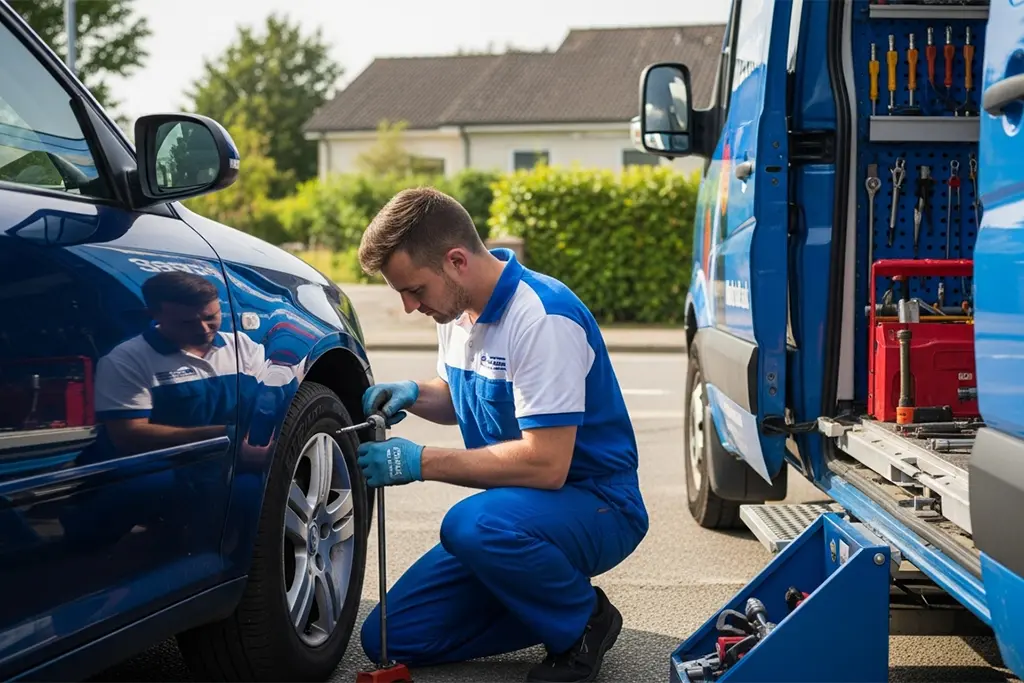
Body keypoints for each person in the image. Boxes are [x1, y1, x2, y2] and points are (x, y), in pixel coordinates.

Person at [354, 187, 649, 682]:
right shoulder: (457, 312)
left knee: (469, 524)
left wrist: (419, 461)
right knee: (389, 636)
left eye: (415, 290)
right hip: (515, 515)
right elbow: (458, 397)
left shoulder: (542, 318)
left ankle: (581, 622)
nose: (408, 307)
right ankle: (544, 598)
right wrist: (414, 393)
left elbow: (547, 465)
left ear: (455, 261)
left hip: (596, 504)